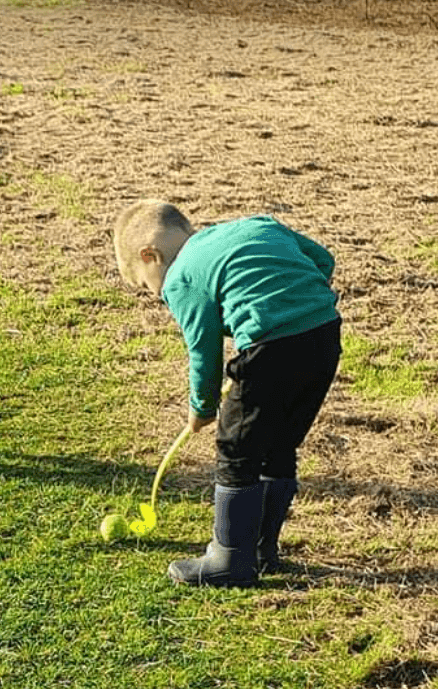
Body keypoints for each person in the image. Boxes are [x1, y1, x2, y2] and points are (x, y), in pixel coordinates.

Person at [113, 199, 342, 587]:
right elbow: (324, 261)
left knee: (237, 449)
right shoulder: (255, 225)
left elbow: (203, 350)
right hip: (324, 335)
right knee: (278, 444)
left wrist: (201, 408)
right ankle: (261, 550)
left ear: (150, 255)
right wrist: (291, 300)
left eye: (146, 287)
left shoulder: (181, 276)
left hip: (273, 350)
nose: (158, 295)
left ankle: (229, 561)